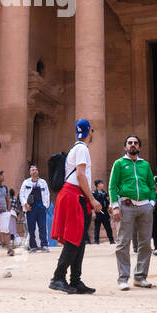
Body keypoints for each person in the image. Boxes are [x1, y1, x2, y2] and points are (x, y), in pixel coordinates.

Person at [50, 119, 97, 295]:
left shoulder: (75, 148)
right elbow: (81, 174)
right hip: (75, 194)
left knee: (79, 238)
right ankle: (58, 277)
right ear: (89, 132)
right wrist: (92, 199)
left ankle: (75, 280)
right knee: (73, 238)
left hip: (72, 194)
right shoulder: (82, 149)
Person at [108, 134, 156, 290]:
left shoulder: (145, 165)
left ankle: (140, 277)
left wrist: (152, 202)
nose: (133, 145)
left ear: (139, 147)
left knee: (145, 244)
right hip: (126, 206)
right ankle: (123, 278)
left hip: (145, 207)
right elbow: (112, 186)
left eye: (135, 143)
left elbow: (151, 185)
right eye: (130, 143)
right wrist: (115, 206)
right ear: (125, 147)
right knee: (123, 243)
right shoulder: (119, 163)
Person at [19, 165, 51, 251]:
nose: (35, 171)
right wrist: (25, 204)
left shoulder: (43, 182)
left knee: (42, 226)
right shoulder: (25, 183)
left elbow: (47, 194)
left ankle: (44, 245)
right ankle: (33, 246)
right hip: (30, 207)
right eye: (32, 170)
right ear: (30, 172)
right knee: (31, 227)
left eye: (36, 170)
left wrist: (45, 206)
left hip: (41, 206)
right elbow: (21, 195)